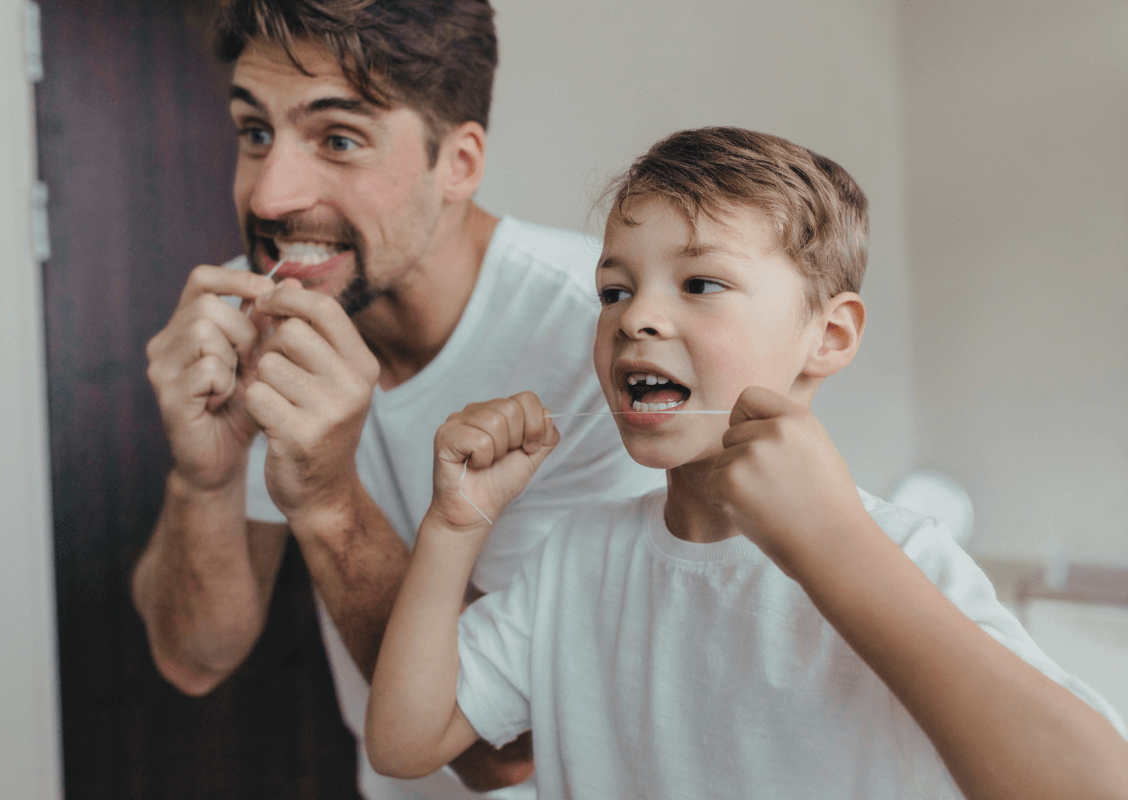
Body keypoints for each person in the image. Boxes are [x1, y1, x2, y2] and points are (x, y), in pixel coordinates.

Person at [365, 127, 1128, 799]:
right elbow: (405, 742)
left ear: (828, 337)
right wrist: (454, 525)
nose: (636, 316)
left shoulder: (898, 554)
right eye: (613, 290)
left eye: (701, 283)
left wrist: (833, 545)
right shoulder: (574, 559)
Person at [131, 2, 661, 799]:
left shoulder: (607, 345)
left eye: (338, 138)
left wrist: (329, 501)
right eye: (255, 133)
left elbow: (505, 750)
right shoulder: (262, 324)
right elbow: (193, 659)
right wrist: (203, 477)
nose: (271, 198)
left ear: (459, 162)